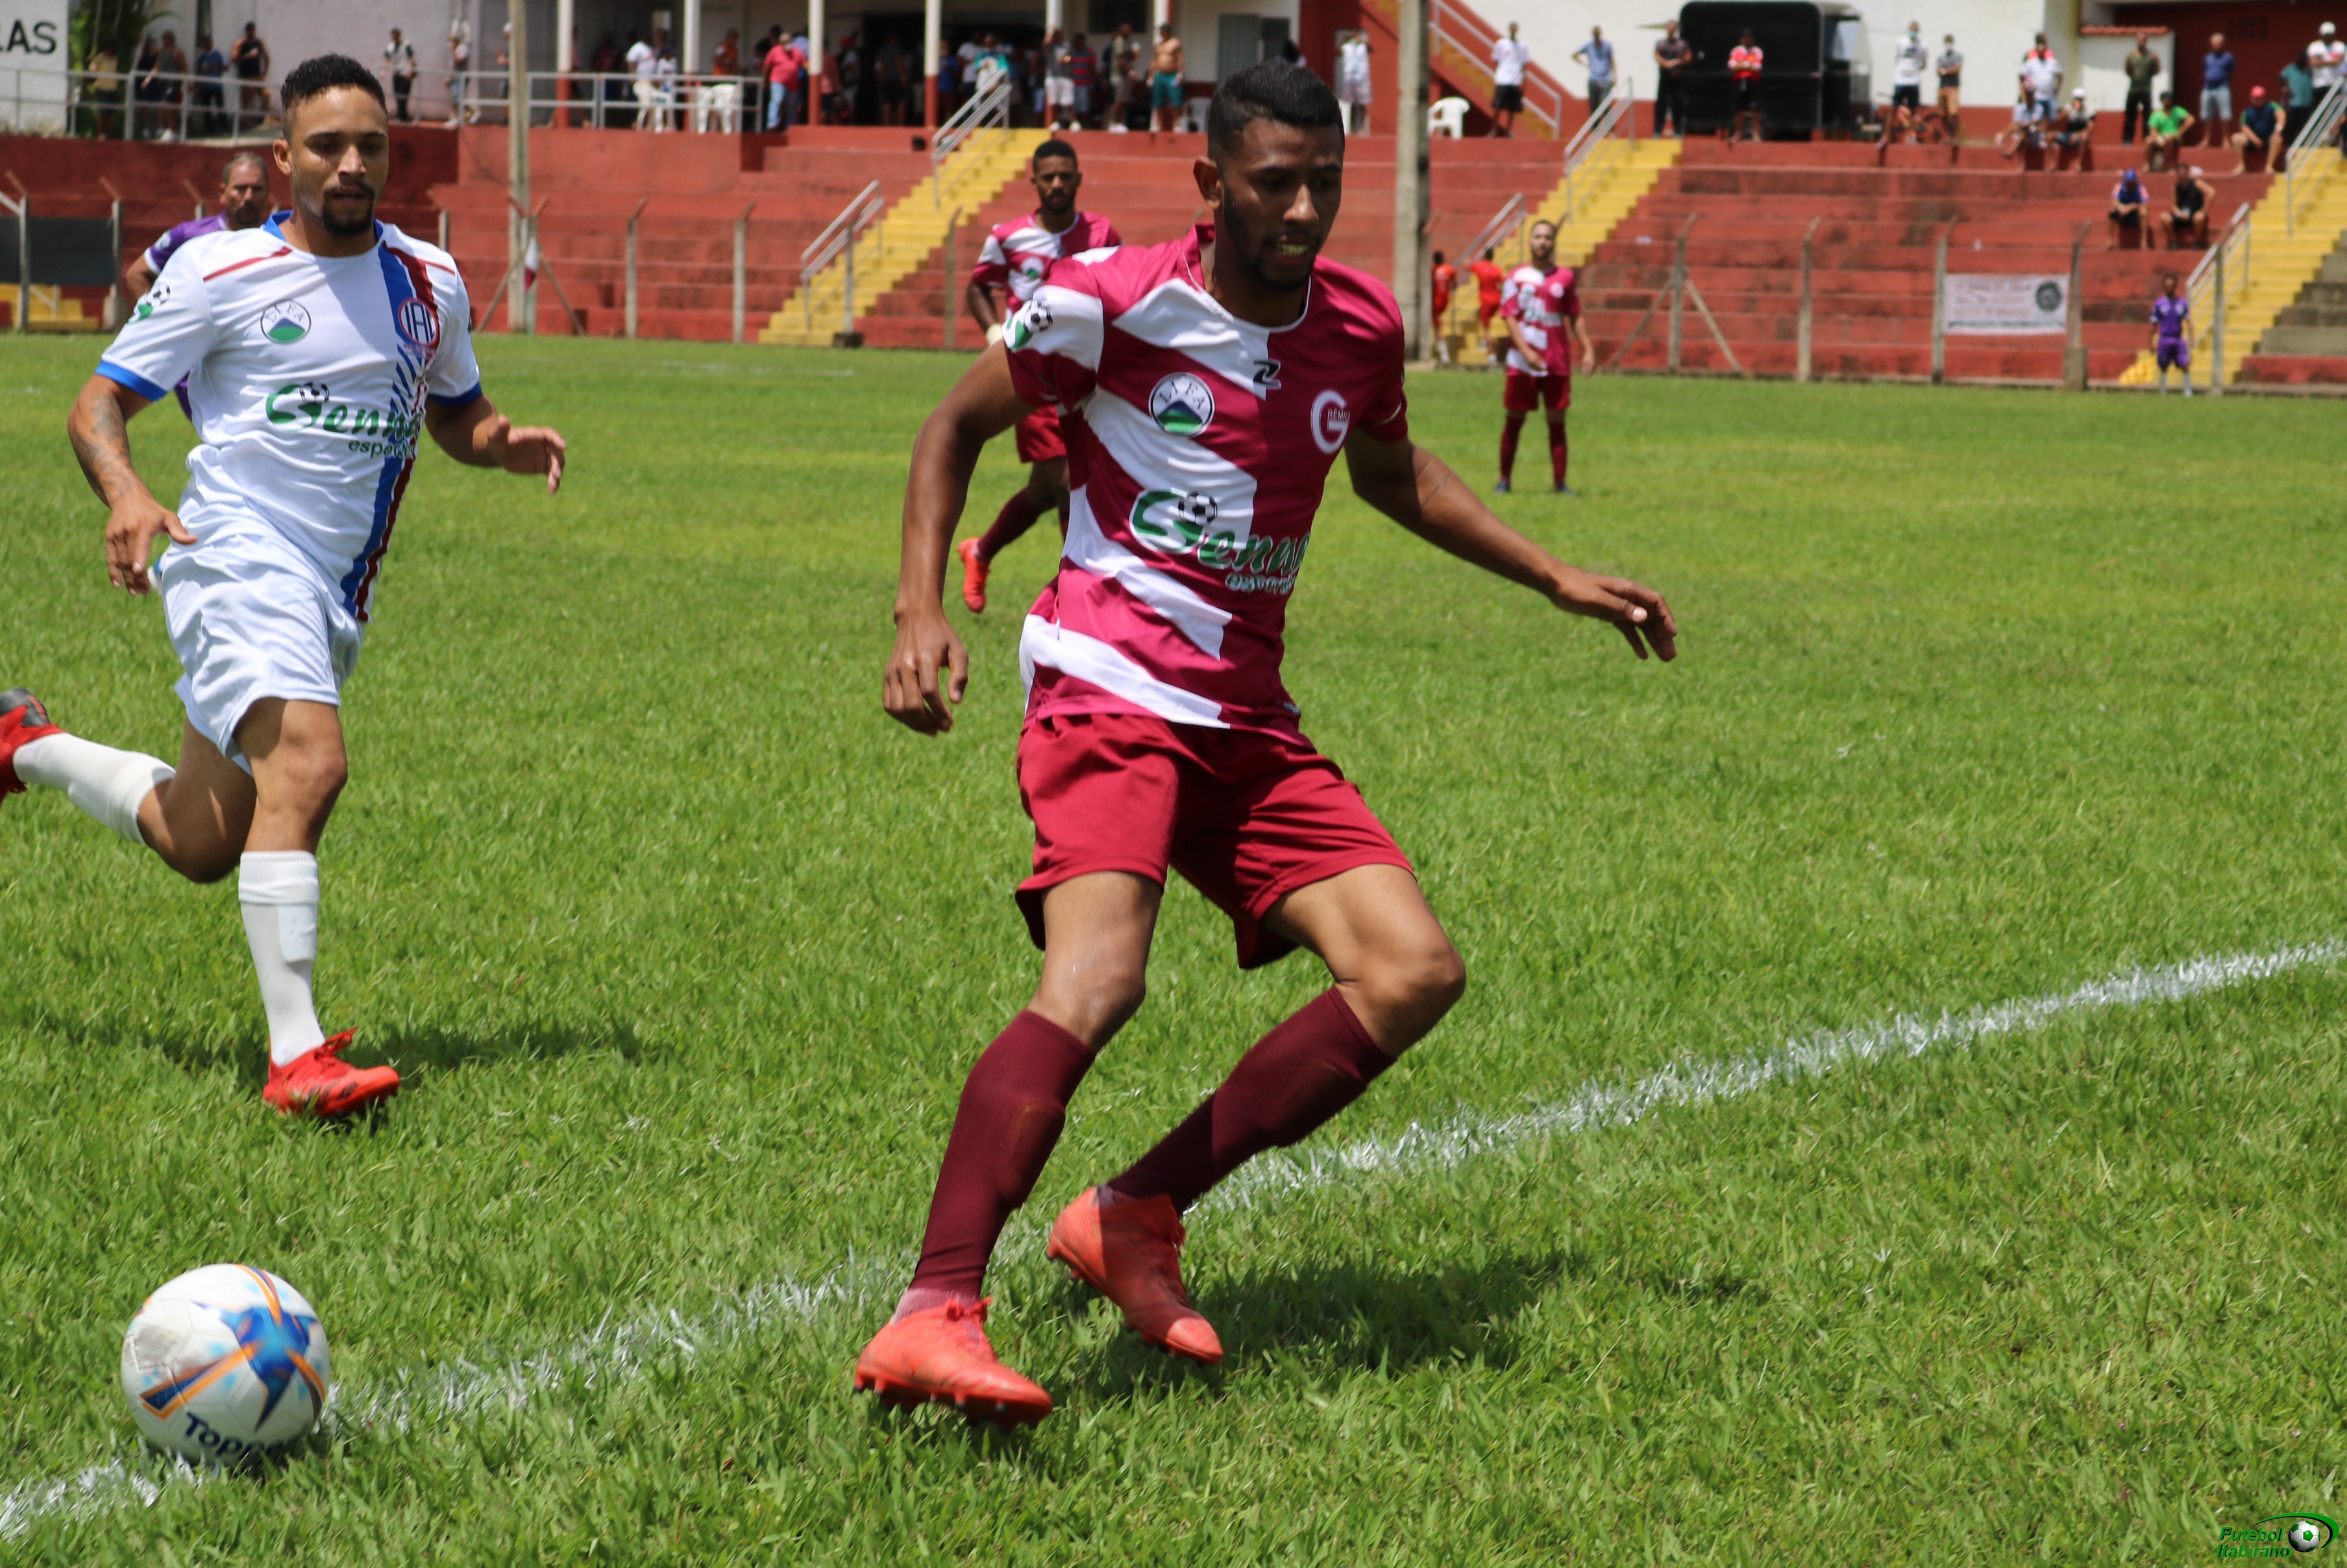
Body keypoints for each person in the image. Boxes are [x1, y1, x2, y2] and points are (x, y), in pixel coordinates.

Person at [855, 62, 1676, 1427]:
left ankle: (1133, 1211)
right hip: (1107, 684)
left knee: (1410, 970)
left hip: (1243, 713)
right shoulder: (1111, 299)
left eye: (1322, 184)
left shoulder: (1358, 323)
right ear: (1210, 183)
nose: (1302, 210)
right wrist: (918, 609)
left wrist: (1550, 575)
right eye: (1273, 183)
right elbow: (952, 427)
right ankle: (934, 1304)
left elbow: (1392, 473)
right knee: (1099, 979)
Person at [8, 55, 567, 1123]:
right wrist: (127, 496)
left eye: (371, 146)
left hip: (330, 593)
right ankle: (297, 1056)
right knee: (310, 763)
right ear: (283, 158)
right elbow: (97, 404)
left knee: (201, 839)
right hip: (230, 552)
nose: (352, 164)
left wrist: (502, 443)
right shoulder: (218, 271)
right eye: (327, 145)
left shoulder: (430, 281)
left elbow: (457, 411)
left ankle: (23, 744)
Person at [953, 141, 1121, 614]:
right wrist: (995, 333)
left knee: (1044, 492)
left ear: (1078, 179)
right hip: (1032, 373)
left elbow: (1122, 285)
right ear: (1035, 182)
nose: (1057, 184)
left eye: (1065, 176)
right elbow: (979, 285)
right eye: (1048, 177)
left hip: (1086, 375)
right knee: (1070, 483)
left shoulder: (1102, 232)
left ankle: (980, 550)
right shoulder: (1009, 236)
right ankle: (1079, 596)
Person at [1495, 219, 1591, 496]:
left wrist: (1588, 348)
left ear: (1553, 242)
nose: (1542, 242)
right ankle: (1504, 480)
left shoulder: (1565, 278)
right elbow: (1510, 317)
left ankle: (1560, 483)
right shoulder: (1516, 277)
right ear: (1530, 241)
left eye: (1548, 237)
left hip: (1556, 359)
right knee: (1514, 419)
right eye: (1538, 237)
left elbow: (1575, 315)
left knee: (1557, 421)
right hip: (1522, 361)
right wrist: (1526, 352)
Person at [125, 151, 272, 301]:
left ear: (267, 194)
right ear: (223, 193)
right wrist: (153, 313)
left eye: (257, 189)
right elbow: (137, 275)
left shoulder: (277, 239)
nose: (249, 197)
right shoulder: (189, 235)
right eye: (240, 189)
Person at [2150, 273, 2193, 393]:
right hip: (2164, 339)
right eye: (2167, 286)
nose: (2170, 288)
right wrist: (2152, 342)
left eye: (2172, 286)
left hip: (2178, 339)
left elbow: (2189, 322)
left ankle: (2188, 391)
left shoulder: (2182, 303)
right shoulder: (2159, 304)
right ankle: (2163, 391)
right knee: (2163, 366)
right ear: (2164, 287)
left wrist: (2192, 338)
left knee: (2185, 364)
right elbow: (2154, 325)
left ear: (2175, 286)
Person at [2232, 86, 2284, 173]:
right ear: (2251, 99)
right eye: (2256, 98)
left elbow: (2281, 115)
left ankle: (2269, 166)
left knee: (2278, 139)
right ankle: (2241, 166)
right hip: (2253, 139)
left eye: (2260, 98)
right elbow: (2244, 127)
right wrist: (2255, 139)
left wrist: (2277, 132)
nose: (2258, 100)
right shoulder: (2247, 112)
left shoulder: (2272, 106)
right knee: (2236, 138)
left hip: (2269, 138)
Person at [1492, 22, 1530, 135]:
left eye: (1515, 29)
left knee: (1512, 108)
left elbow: (1524, 64)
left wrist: (1522, 80)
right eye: (1512, 29)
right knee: (1498, 106)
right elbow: (1496, 60)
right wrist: (1502, 72)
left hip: (1515, 81)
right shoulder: (1501, 44)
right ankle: (1494, 130)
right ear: (1509, 30)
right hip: (1503, 80)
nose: (1513, 31)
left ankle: (1508, 131)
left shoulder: (1522, 46)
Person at [2120, 34, 2159, 143]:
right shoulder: (2131, 56)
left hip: (2146, 89)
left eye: (2143, 40)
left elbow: (2156, 70)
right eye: (2139, 40)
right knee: (2130, 115)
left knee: (2147, 116)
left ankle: (2146, 138)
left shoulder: (2152, 55)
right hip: (2133, 89)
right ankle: (2127, 139)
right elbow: (2128, 70)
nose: (2141, 42)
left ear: (2146, 41)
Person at [1654, 21, 1691, 137]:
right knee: (1661, 104)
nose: (1671, 30)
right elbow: (1657, 55)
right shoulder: (1661, 43)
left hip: (1677, 77)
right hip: (1664, 77)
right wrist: (1665, 63)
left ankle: (1678, 131)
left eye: (1673, 28)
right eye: (1669, 27)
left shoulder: (1682, 43)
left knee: (1677, 104)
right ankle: (1658, 131)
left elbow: (1688, 57)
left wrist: (1676, 62)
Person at [1468, 246, 1506, 356]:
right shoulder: (1497, 269)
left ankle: (1492, 354)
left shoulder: (1480, 266)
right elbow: (1502, 283)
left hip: (1486, 300)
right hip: (1497, 299)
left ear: (1485, 256)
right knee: (1482, 317)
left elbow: (1468, 265)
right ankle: (1486, 342)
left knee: (1486, 329)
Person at [2166, 165, 2215, 248]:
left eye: (2184, 174)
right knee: (2164, 217)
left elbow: (2212, 193)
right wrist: (2179, 213)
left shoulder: (2197, 184)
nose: (2182, 177)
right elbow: (2173, 205)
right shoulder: (2175, 188)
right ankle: (2173, 243)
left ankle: (2196, 242)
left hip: (2195, 213)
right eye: (2180, 175)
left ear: (2188, 174)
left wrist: (2203, 211)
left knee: (2200, 218)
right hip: (2181, 214)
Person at [1889, 22, 1928, 124]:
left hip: (1914, 81)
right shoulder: (1901, 42)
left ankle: (1911, 131)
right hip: (1900, 80)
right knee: (1895, 107)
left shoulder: (1922, 45)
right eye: (1912, 30)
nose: (1913, 32)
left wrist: (1914, 69)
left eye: (1915, 30)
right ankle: (1889, 131)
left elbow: (1924, 63)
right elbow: (1896, 58)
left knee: (1913, 108)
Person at [1729, 31, 1764, 141]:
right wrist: (1748, 64)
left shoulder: (1757, 51)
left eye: (1749, 38)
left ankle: (1756, 134)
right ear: (1741, 39)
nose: (1747, 40)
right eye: (1744, 38)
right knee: (1739, 109)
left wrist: (1741, 65)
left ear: (1752, 39)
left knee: (1755, 108)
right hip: (1739, 81)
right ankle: (1738, 134)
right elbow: (1732, 66)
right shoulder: (1736, 51)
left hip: (1753, 81)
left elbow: (1758, 67)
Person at [232, 23, 270, 125]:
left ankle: (265, 117)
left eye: (253, 30)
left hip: (257, 76)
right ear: (247, 31)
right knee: (247, 98)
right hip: (246, 76)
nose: (252, 32)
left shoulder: (258, 43)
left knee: (266, 94)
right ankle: (246, 120)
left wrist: (265, 71)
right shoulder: (241, 43)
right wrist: (248, 56)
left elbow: (266, 57)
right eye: (250, 30)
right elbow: (234, 58)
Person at [2201, 33, 2235, 147]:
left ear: (2223, 44)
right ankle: (2206, 140)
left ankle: (2226, 140)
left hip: (2223, 88)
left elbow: (2232, 72)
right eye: (2214, 43)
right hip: (2208, 88)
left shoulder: (2228, 57)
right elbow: (2204, 70)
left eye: (2219, 43)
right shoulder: (2207, 57)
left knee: (2225, 115)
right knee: (2207, 115)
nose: (2216, 45)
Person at [2311, 23, 2344, 135]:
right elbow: (2313, 62)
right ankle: (2321, 134)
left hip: (2335, 84)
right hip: (2319, 84)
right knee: (2320, 111)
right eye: (2326, 35)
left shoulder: (2339, 46)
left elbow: (2338, 61)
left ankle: (2334, 133)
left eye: (2330, 34)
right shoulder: (2315, 46)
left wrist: (2321, 61)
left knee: (2336, 111)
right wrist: (2331, 61)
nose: (2328, 37)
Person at [2146, 92, 2193, 171]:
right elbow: (2153, 130)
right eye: (2165, 100)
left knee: (2168, 138)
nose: (2167, 102)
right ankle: (2148, 165)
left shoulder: (2177, 111)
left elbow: (2191, 120)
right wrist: (2159, 139)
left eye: (2168, 100)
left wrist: (2180, 132)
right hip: (2161, 137)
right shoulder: (2156, 114)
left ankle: (2170, 164)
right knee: (2148, 141)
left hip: (2174, 137)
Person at [2019, 34, 2061, 124]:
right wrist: (2023, 94)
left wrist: (2057, 89)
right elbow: (2022, 77)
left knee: (2052, 119)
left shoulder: (2052, 62)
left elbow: (2060, 76)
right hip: (2036, 97)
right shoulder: (2031, 62)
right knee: (2037, 118)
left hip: (2050, 96)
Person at [1573, 27, 1614, 116]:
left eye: (1598, 35)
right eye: (1595, 35)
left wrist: (1614, 77)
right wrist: (1586, 64)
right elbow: (1574, 55)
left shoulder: (1607, 45)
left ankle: (1609, 124)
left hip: (1605, 79)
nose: (1597, 37)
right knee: (1593, 106)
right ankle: (1596, 124)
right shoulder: (1589, 46)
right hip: (1593, 79)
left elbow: (1612, 61)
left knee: (1605, 105)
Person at [193, 34, 228, 137]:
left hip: (216, 86)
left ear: (211, 42)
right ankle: (209, 129)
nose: (207, 44)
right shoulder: (202, 57)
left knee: (220, 107)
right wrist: (197, 87)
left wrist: (212, 68)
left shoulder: (218, 54)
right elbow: (199, 73)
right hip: (205, 87)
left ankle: (224, 128)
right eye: (205, 43)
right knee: (206, 109)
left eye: (208, 42)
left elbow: (226, 68)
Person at [1151, 23, 1185, 132]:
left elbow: (1180, 59)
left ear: (1167, 31)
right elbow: (1155, 60)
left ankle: (1176, 125)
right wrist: (1150, 75)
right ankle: (1158, 124)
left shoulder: (1175, 43)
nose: (1161, 34)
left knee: (1175, 99)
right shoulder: (1159, 45)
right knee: (1158, 100)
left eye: (1163, 31)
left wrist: (1180, 74)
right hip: (1160, 75)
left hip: (1172, 75)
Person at [2051, 90, 2095, 170]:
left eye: (2080, 99)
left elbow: (2090, 129)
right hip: (2068, 136)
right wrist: (2069, 110)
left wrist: (2078, 135)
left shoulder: (2089, 110)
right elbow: (2057, 120)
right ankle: (2053, 164)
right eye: (2077, 99)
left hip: (2079, 137)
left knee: (2085, 137)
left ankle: (2079, 165)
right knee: (2050, 136)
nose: (2078, 101)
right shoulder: (2069, 108)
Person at [1338, 31, 1371, 133]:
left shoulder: (1363, 47)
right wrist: (1345, 39)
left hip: (1362, 76)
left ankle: (1361, 126)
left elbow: (1371, 50)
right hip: (1350, 76)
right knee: (1351, 103)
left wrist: (1363, 41)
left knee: (1362, 102)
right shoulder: (1347, 47)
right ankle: (1353, 127)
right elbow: (1338, 50)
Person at [2108, 167, 2150, 247]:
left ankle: (2144, 241)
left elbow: (2147, 203)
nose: (2130, 184)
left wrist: (2132, 207)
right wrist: (2121, 207)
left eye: (2132, 182)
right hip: (2123, 213)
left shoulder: (2141, 188)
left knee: (2144, 212)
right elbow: (2114, 201)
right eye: (2129, 182)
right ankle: (2110, 241)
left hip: (2135, 214)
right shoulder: (2119, 186)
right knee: (2112, 211)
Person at [2281, 56, 2315, 152]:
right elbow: (2281, 78)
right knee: (2292, 125)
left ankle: (2304, 144)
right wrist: (2286, 90)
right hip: (2294, 103)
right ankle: (2289, 145)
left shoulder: (2309, 69)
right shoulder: (2291, 68)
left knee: (2305, 125)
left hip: (2306, 103)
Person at [382, 30, 416, 122]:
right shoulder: (390, 46)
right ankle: (403, 117)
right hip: (396, 74)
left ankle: (402, 116)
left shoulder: (406, 45)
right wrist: (383, 71)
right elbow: (387, 59)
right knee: (397, 95)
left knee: (403, 95)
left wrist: (411, 71)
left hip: (405, 73)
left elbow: (411, 58)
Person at [1430, 249, 1457, 364]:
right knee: (1437, 327)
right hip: (1445, 302)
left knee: (1438, 328)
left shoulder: (1433, 271)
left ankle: (1445, 356)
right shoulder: (1450, 270)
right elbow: (1455, 284)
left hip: (1436, 303)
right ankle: (1438, 350)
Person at [1935, 34, 1963, 141]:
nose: (1948, 45)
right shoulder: (1941, 58)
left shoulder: (1958, 56)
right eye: (1947, 42)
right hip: (1942, 87)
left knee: (1953, 113)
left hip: (1953, 87)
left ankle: (1956, 136)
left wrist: (1945, 71)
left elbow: (1956, 70)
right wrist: (1947, 71)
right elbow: (1938, 71)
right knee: (1942, 114)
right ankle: (1948, 135)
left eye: (1950, 42)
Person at [446, 13, 472, 125]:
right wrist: (449, 77)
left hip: (460, 77)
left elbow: (460, 61)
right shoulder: (456, 49)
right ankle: (456, 117)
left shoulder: (462, 48)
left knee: (459, 98)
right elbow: (452, 65)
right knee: (455, 99)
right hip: (454, 77)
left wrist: (453, 52)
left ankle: (471, 112)